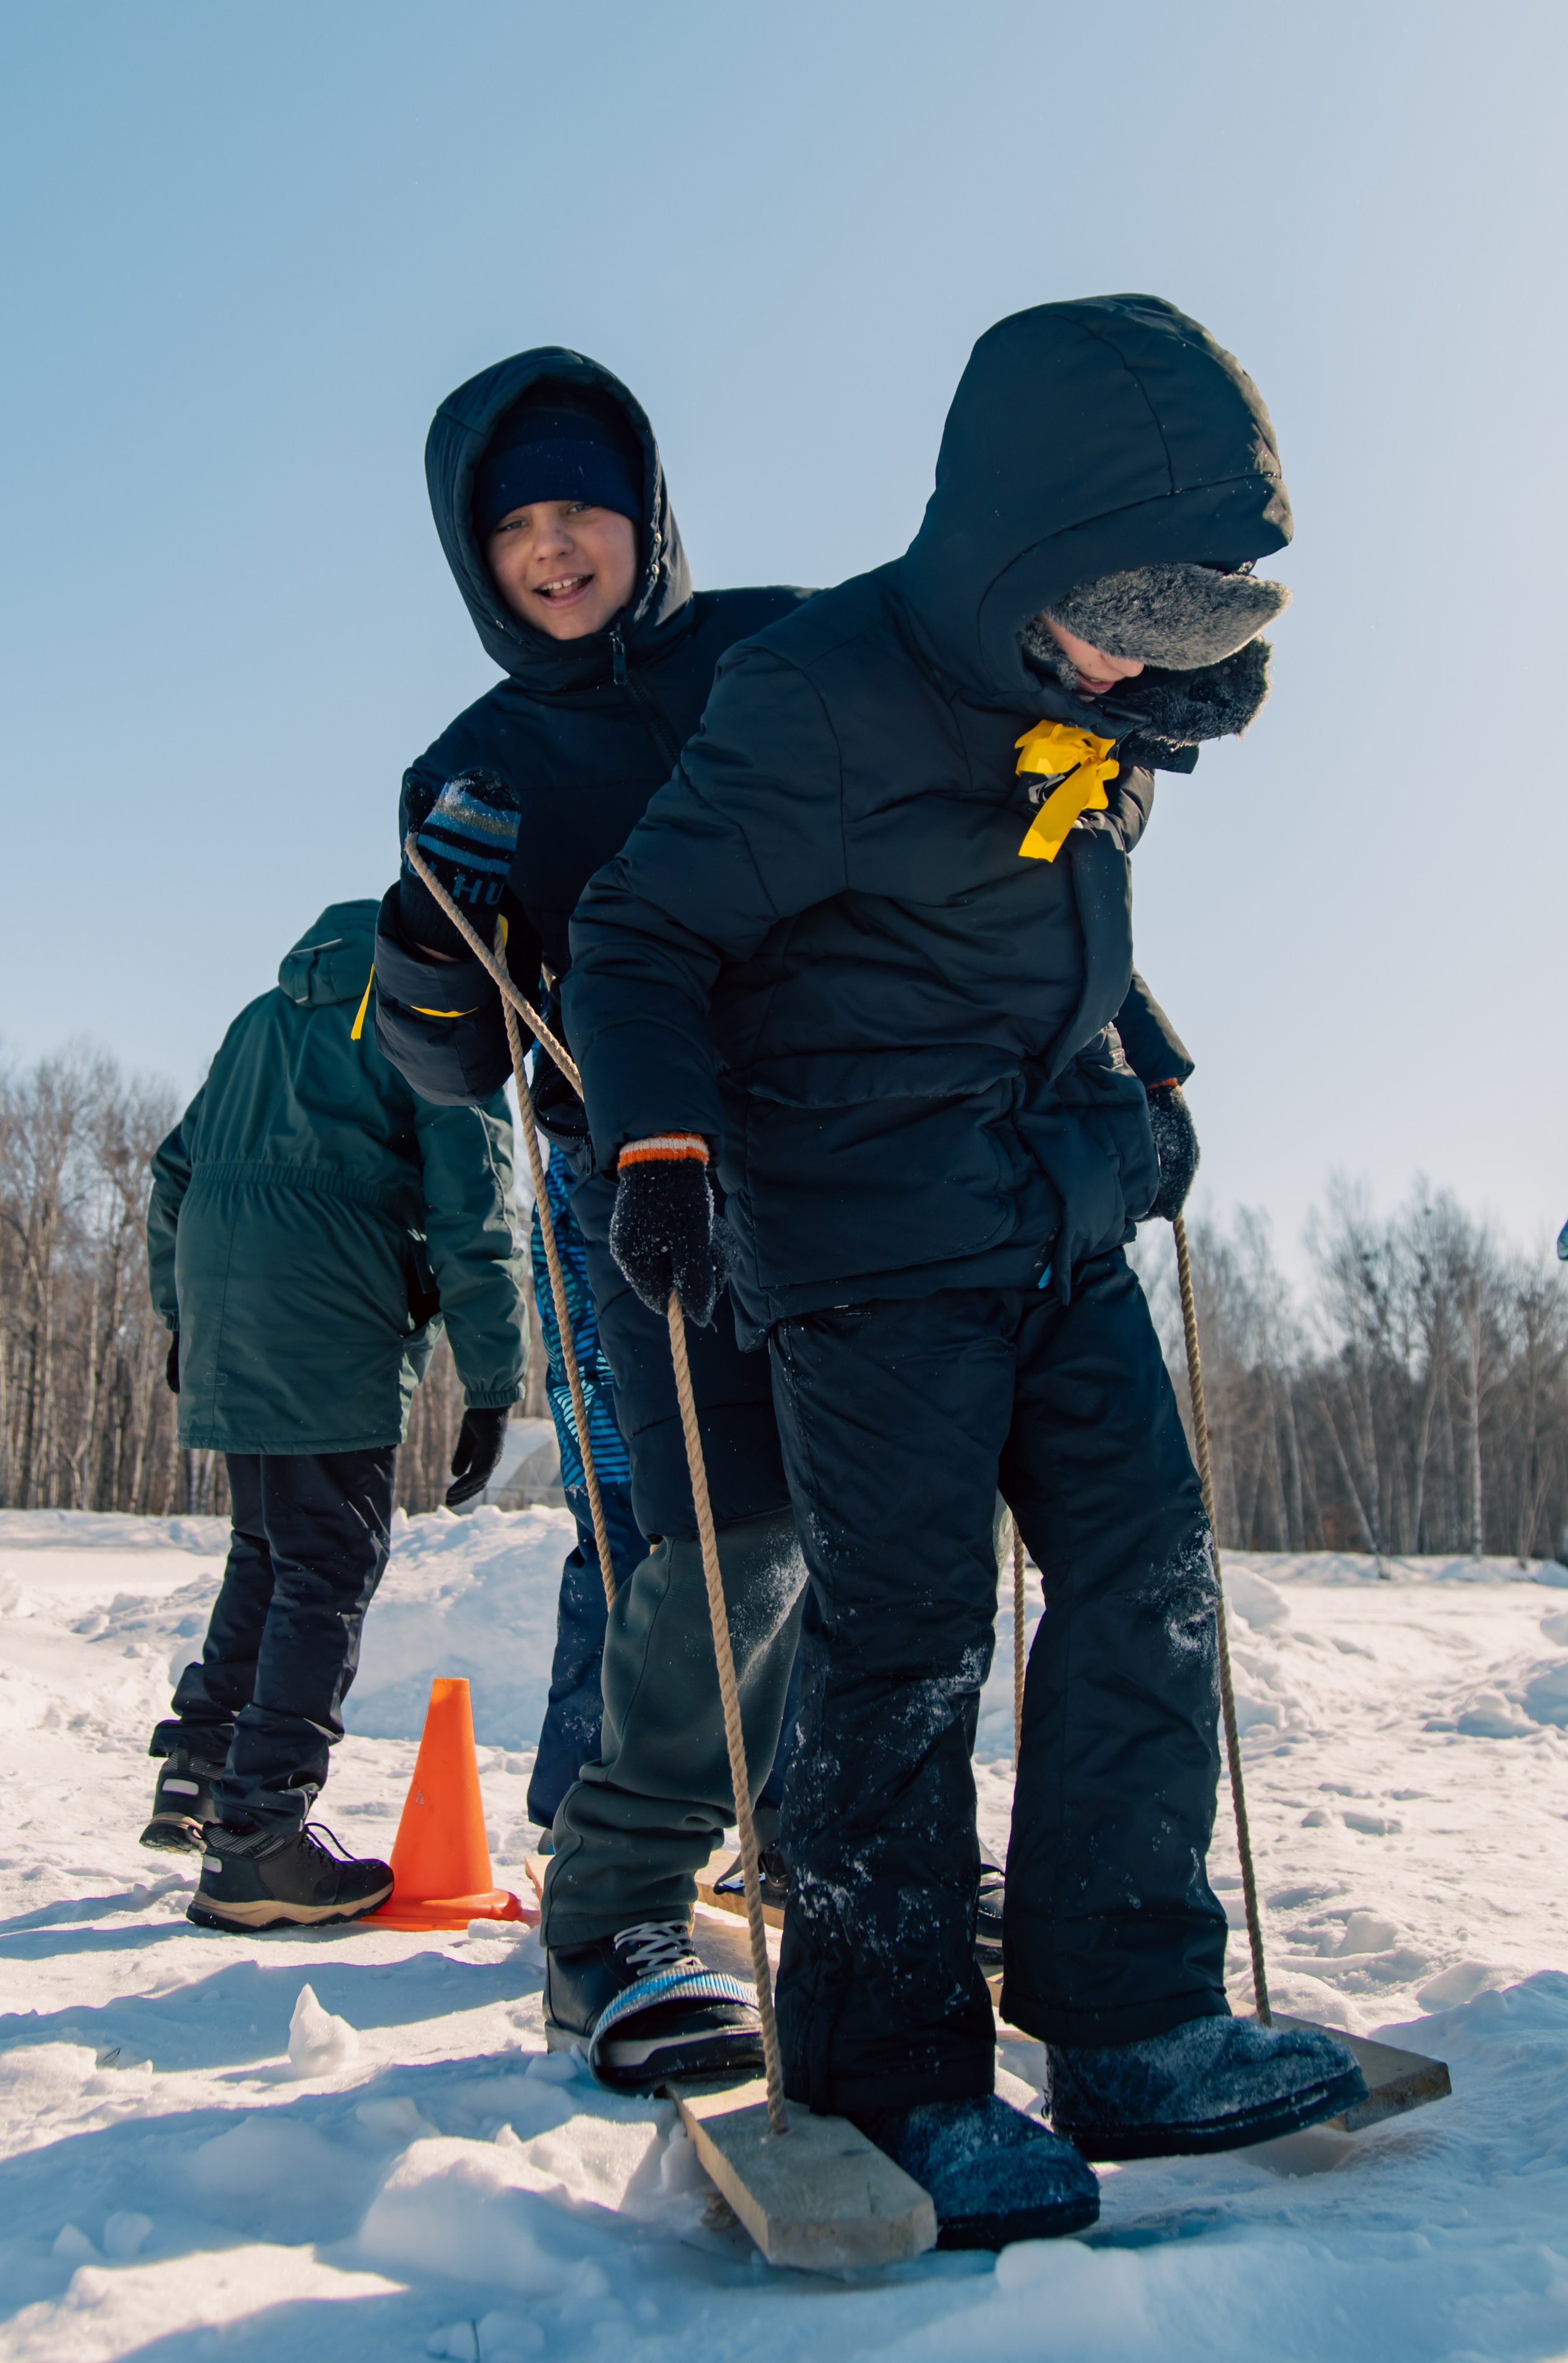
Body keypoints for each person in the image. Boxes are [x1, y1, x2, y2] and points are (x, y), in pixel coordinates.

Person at [563, 294, 1368, 2247]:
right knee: (903, 1639)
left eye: (1194, 633)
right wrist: (656, 1149)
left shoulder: (1078, 695)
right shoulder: (819, 691)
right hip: (864, 1244)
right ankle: (899, 2072)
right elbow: (640, 935)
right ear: (1020, 557)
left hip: (1052, 1211)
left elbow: (1005, 912)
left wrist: (1137, 1034)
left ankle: (1125, 2013)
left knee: (1143, 1573)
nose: (1147, 671)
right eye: (1133, 620)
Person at [370, 350, 809, 2084]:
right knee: (707, 1526)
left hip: (852, 1143)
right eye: (517, 527)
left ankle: (840, 1825)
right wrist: (427, 944)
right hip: (622, 1179)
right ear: (475, 558)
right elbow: (450, 1065)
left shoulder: (781, 649)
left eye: (583, 512)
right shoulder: (467, 764)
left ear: (647, 517)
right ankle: (623, 1901)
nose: (555, 551)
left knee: (897, 1509)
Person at [142, 899, 527, 1931]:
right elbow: (476, 1209)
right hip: (324, 1306)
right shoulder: (434, 1008)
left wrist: (184, 1314)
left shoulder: (263, 1017)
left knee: (270, 1548)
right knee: (328, 1559)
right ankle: (260, 1836)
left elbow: (175, 1170)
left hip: (230, 1301)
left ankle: (202, 1767)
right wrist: (495, 1382)